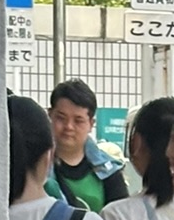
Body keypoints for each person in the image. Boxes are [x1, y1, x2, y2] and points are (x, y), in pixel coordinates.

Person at [47, 79, 129, 211]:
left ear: (91, 124)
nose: (69, 126)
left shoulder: (109, 172)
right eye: (61, 118)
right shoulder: (33, 167)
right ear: (50, 115)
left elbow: (120, 219)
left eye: (78, 120)